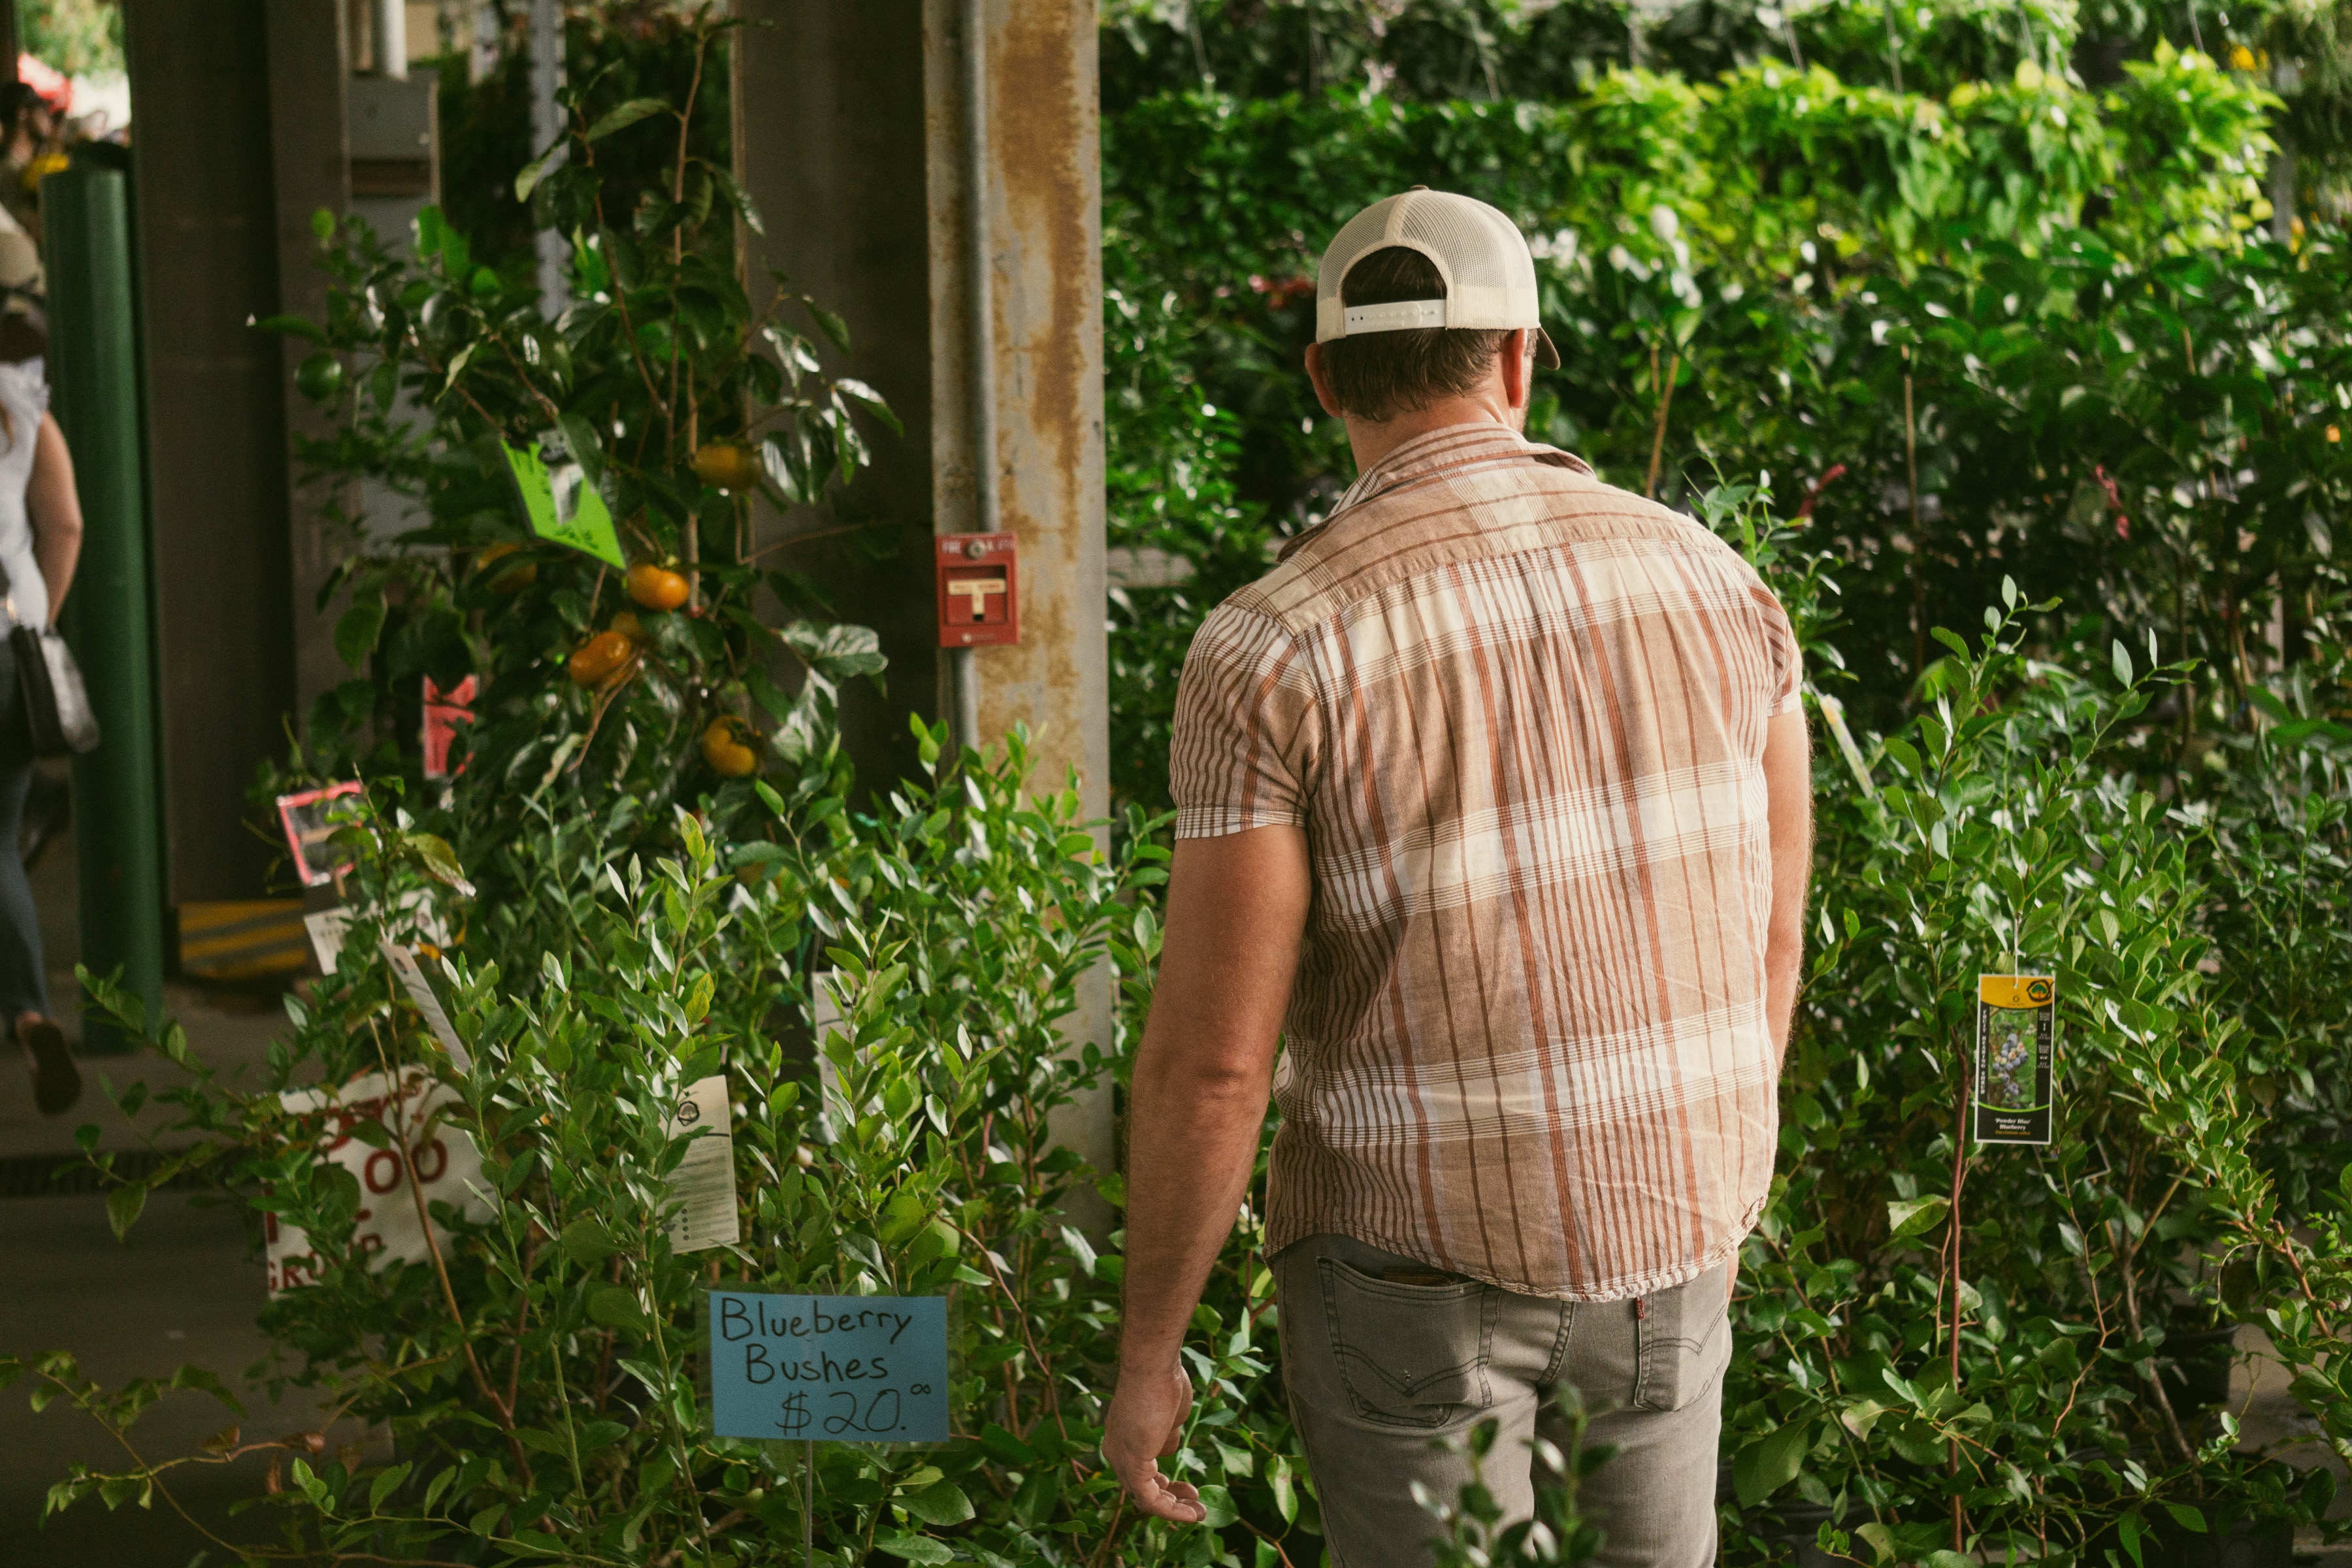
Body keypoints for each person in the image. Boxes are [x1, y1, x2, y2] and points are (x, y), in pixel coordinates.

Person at [1101, 188, 1812, 1567]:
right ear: (1521, 358)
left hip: (1407, 1280)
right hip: (1673, 1254)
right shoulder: (1723, 589)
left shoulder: (1272, 648)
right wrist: (1720, 1190)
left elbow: (1214, 1066)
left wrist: (1149, 1357)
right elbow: (1770, 941)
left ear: (1325, 379)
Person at [0, 224, 83, 1115]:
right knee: (0, 844)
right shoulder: (22, 402)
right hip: (6, 650)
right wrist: (39, 623)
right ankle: (29, 1014)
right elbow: (65, 525)